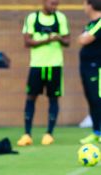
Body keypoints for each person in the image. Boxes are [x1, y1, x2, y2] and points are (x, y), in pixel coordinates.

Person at [17, 0, 70, 146]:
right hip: (37, 65)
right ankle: (27, 134)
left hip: (55, 65)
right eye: (52, 3)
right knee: (31, 97)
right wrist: (47, 39)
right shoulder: (32, 18)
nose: (54, 7)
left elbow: (68, 40)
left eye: (56, 4)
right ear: (44, 2)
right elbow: (27, 41)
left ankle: (49, 134)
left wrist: (59, 39)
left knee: (54, 98)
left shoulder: (60, 18)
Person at [78, 0, 101, 144]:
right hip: (86, 66)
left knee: (97, 98)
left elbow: (84, 39)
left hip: (96, 67)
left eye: (85, 3)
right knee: (91, 99)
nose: (84, 7)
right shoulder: (91, 23)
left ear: (91, 5)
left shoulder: (100, 22)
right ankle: (96, 131)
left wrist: (83, 37)